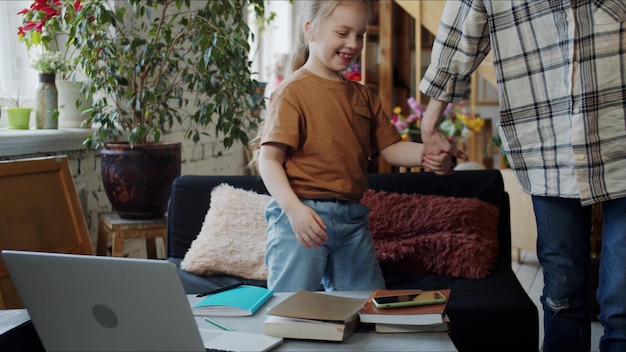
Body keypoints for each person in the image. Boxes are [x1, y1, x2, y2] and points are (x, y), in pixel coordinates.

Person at [418, 2, 626, 351]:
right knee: (562, 296)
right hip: (547, 140)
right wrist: (430, 119)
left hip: (617, 122)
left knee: (623, 302)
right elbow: (460, 28)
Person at [257, 0, 457, 293]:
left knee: (368, 306)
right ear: (310, 30)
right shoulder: (291, 92)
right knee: (291, 309)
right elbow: (269, 160)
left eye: (360, 35)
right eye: (342, 33)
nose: (353, 43)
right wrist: (294, 210)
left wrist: (430, 155)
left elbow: (392, 148)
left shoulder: (364, 97)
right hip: (301, 217)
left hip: (352, 219)